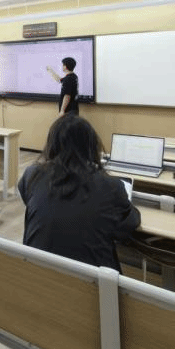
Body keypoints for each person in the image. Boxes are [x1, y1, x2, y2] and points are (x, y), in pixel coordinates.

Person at [18, 114, 140, 272]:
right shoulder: (112, 186)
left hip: (36, 275)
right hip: (92, 283)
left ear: (51, 144)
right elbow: (129, 224)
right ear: (91, 146)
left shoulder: (32, 174)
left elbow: (27, 197)